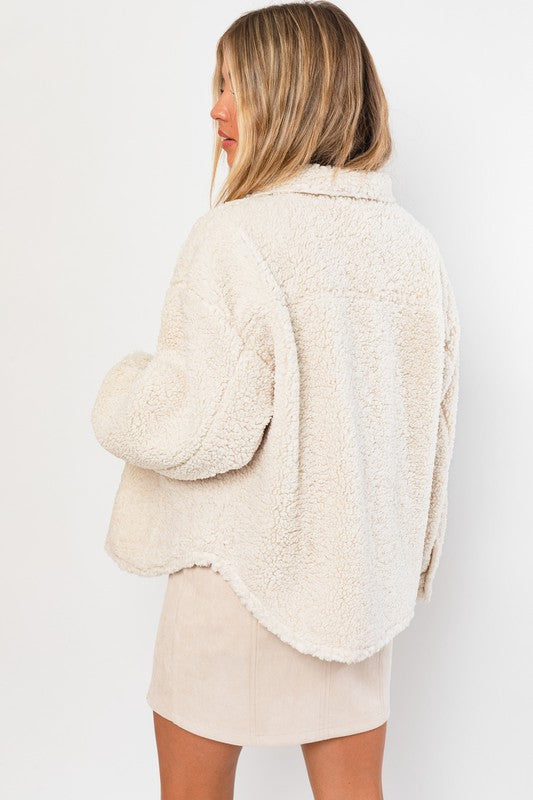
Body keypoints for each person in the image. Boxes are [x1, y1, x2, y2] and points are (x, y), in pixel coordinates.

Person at [91, 2, 461, 798]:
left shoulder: (235, 235)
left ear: (291, 95)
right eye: (217, 85)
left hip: (236, 579)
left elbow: (197, 427)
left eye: (236, 85)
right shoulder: (411, 248)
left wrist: (124, 392)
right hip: (354, 589)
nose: (216, 110)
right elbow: (427, 430)